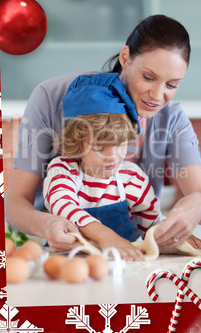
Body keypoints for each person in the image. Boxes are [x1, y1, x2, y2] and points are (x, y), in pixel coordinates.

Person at [5, 14, 201, 253]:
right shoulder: (52, 97)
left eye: (172, 85)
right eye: (148, 77)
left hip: (127, 251)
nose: (158, 97)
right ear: (125, 57)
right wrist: (48, 224)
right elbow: (15, 204)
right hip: (55, 248)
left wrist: (196, 206)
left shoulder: (172, 120)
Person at [43, 73, 166, 261]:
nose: (112, 157)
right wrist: (106, 236)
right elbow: (64, 207)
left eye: (120, 144)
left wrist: (173, 236)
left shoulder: (131, 178)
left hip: (120, 266)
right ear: (77, 144)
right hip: (68, 262)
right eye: (100, 148)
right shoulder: (62, 171)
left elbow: (152, 221)